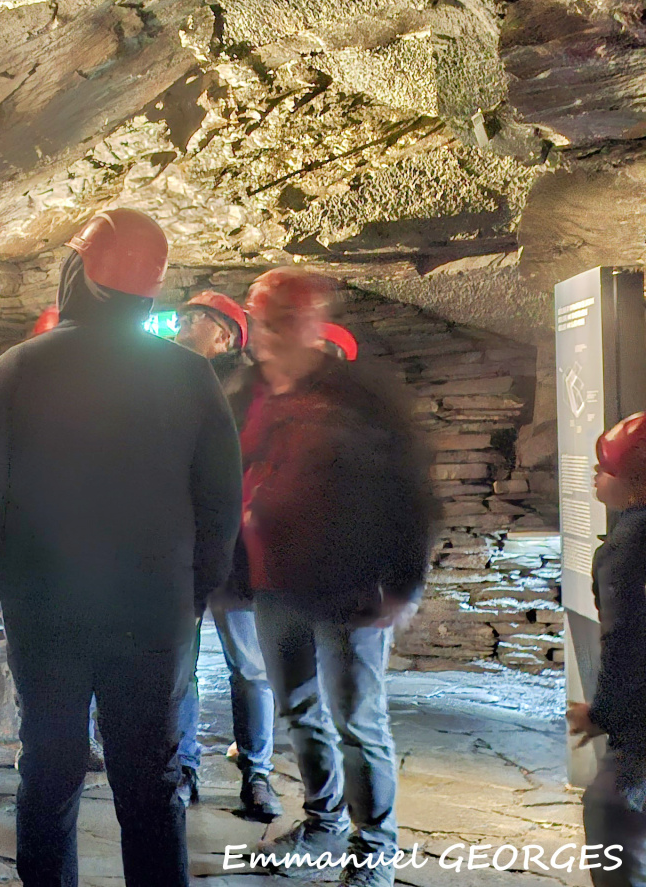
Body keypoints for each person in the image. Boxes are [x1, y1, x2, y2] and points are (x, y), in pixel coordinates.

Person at [0, 208, 242, 887]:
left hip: (46, 608)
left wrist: (12, 585)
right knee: (151, 781)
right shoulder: (189, 375)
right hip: (152, 612)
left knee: (49, 770)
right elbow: (219, 503)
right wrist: (189, 595)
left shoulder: (20, 366)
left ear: (79, 271)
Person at [239, 268, 435, 887]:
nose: (269, 335)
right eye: (263, 322)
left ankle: (374, 849)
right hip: (274, 581)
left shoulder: (359, 396)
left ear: (311, 324)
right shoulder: (247, 392)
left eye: (282, 321)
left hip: (350, 585)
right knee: (299, 710)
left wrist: (404, 583)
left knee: (357, 721)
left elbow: (409, 489)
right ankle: (323, 824)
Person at [170, 290, 282, 822]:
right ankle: (182, 770)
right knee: (179, 667)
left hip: (236, 552)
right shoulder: (163, 382)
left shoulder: (248, 391)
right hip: (180, 550)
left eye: (196, 318)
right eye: (185, 316)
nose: (183, 324)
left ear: (225, 336)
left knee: (251, 667)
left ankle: (256, 774)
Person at [573, 412, 646, 887]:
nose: (596, 475)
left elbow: (625, 643)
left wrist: (603, 713)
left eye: (605, 467)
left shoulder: (626, 549)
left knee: (609, 819)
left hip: (640, 729)